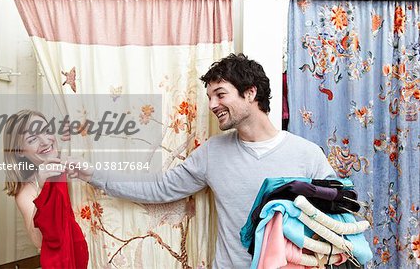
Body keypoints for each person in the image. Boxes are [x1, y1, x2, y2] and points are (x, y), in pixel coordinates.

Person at [67, 53, 336, 268]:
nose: (212, 105)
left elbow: (339, 216)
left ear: (251, 93)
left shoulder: (307, 154)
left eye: (220, 94)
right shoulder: (212, 153)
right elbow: (159, 188)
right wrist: (93, 174)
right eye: (209, 97)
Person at [3, 110, 89, 269]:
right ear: (20, 152)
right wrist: (44, 191)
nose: (45, 141)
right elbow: (38, 240)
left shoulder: (71, 157)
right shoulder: (27, 190)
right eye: (32, 139)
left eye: (47, 130)